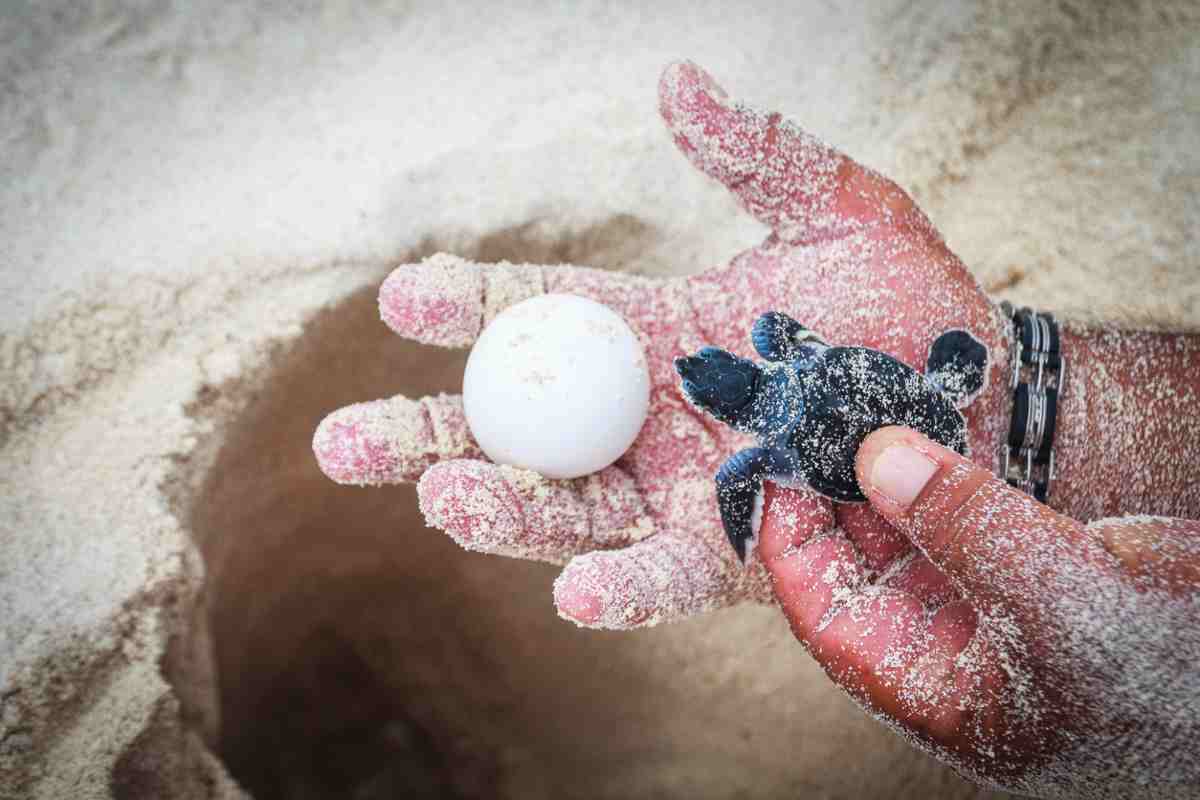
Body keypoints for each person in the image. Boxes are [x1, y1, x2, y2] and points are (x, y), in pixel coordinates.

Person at [312, 61, 1200, 798]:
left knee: (875, 412)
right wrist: (1015, 401)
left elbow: (748, 470)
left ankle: (986, 389)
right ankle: (981, 389)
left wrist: (1009, 395)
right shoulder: (791, 361)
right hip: (908, 390)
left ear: (738, 406)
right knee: (943, 376)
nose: (709, 377)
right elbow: (798, 350)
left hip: (883, 443)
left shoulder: (763, 452)